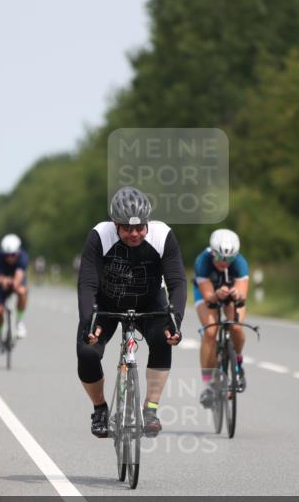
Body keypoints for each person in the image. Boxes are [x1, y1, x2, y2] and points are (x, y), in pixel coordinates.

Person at [77, 186, 186, 438]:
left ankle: (151, 409)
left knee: (164, 337)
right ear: (115, 224)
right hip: (106, 302)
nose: (135, 233)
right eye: (127, 228)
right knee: (87, 352)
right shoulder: (99, 235)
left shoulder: (163, 235)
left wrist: (176, 321)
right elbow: (87, 283)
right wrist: (88, 320)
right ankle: (100, 409)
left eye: (140, 227)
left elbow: (177, 282)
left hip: (149, 301)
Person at [194, 228, 249, 408]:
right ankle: (209, 383)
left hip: (230, 294)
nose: (224, 263)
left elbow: (242, 294)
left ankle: (237, 363)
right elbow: (208, 297)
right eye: (219, 257)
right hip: (208, 294)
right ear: (212, 253)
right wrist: (216, 295)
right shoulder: (202, 261)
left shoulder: (240, 263)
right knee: (210, 331)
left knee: (236, 326)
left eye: (229, 259)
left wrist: (237, 294)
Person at [0, 234, 29, 351]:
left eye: (12, 255)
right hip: (1, 282)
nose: (9, 258)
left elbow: (20, 273)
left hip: (16, 280)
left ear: (18, 252)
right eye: (6, 255)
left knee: (23, 292)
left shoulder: (23, 256)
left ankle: (19, 322)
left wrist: (14, 284)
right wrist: (4, 281)